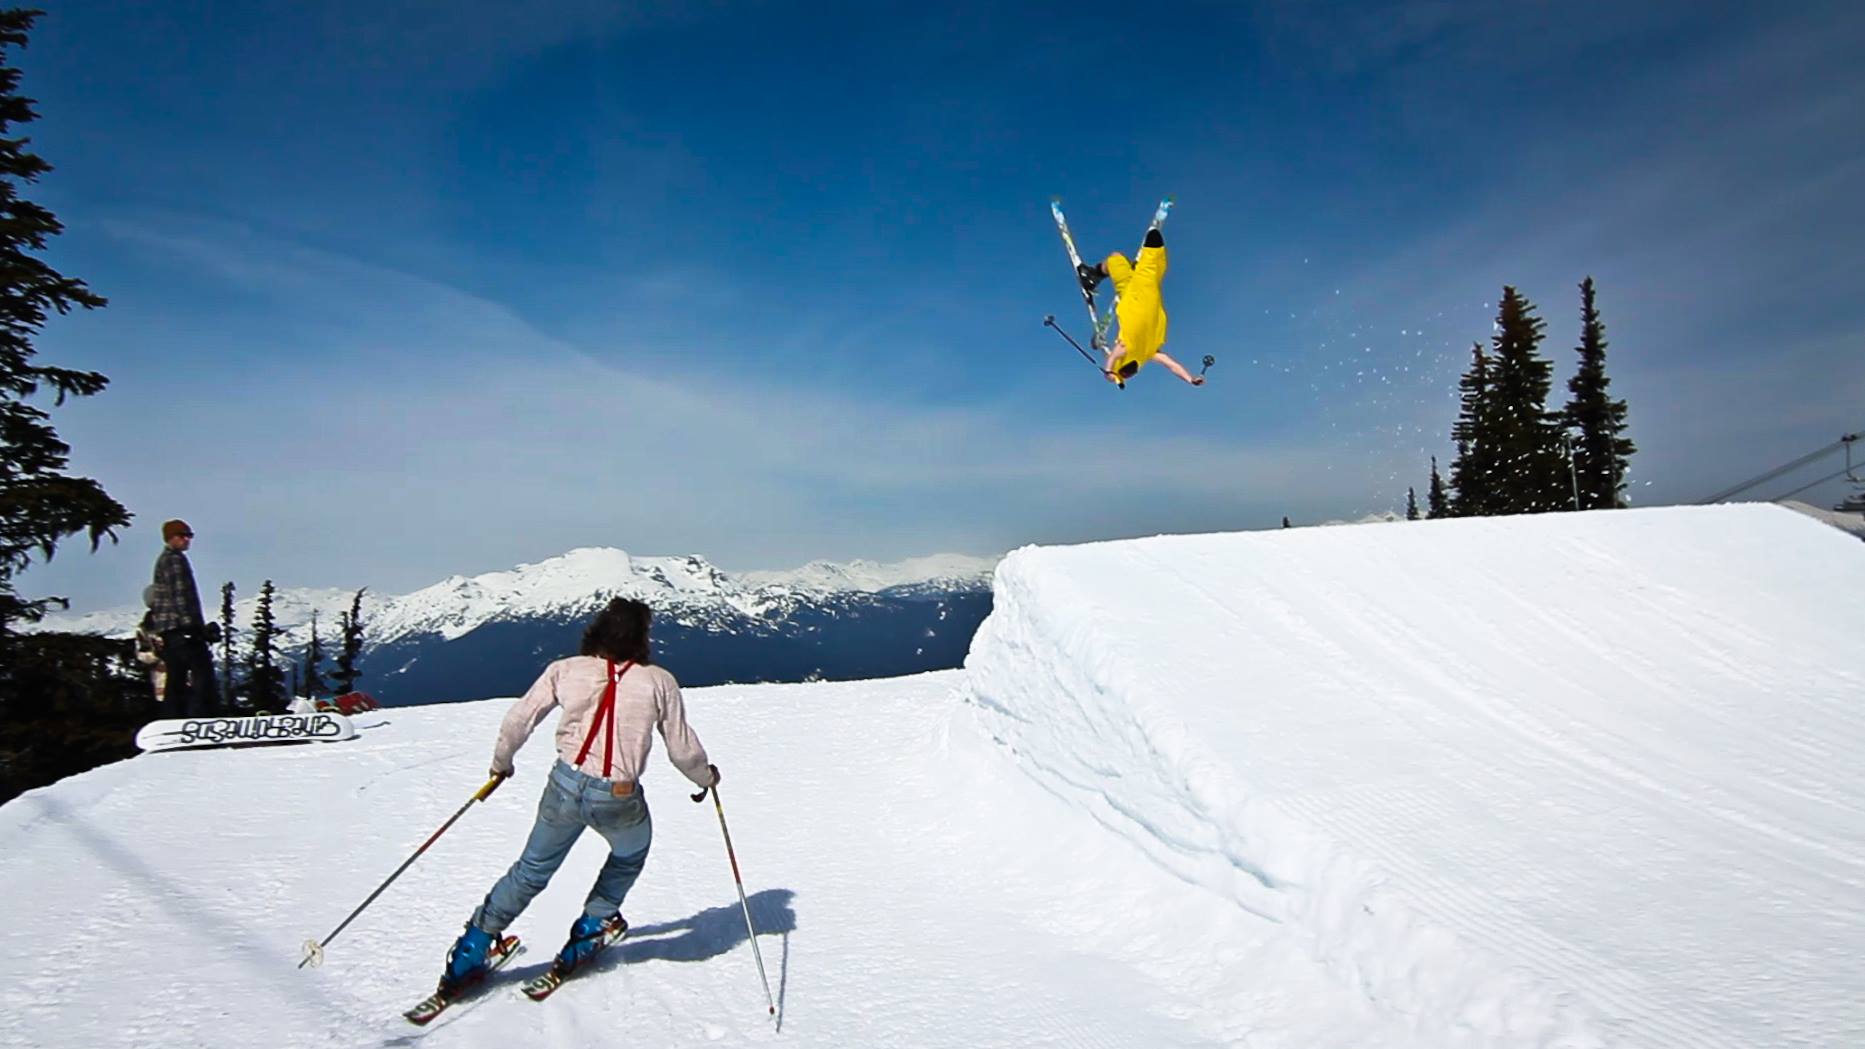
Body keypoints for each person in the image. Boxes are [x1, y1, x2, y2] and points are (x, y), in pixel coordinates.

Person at [433, 597, 719, 996]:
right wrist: (705, 778)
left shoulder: (565, 670)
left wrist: (501, 764)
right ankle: (592, 928)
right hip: (618, 796)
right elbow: (682, 749)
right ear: (641, 638)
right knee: (628, 854)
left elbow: (519, 719)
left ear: (597, 631)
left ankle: (472, 949)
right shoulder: (659, 681)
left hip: (564, 785)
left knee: (531, 869)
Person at [1077, 226, 1205, 388]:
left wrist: (1109, 369)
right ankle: (1100, 273)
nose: (1130, 373)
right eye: (1128, 375)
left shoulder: (1127, 346)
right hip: (1139, 293)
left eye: (1125, 373)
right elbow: (1172, 366)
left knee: (1118, 260)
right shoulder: (1148, 353)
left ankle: (1094, 275)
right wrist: (1190, 379)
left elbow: (1115, 357)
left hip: (1133, 293)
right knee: (1139, 268)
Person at [148, 519, 219, 718]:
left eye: (189, 535)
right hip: (181, 628)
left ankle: (173, 718)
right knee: (202, 673)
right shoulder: (174, 560)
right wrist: (193, 628)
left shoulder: (165, 559)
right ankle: (201, 716)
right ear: (171, 538)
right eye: (183, 536)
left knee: (176, 676)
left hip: (170, 630)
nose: (187, 540)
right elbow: (180, 595)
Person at [134, 608, 166, 708]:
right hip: (162, 678)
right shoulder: (145, 628)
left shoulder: (180, 618)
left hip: (187, 678)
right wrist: (155, 655)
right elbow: (141, 655)